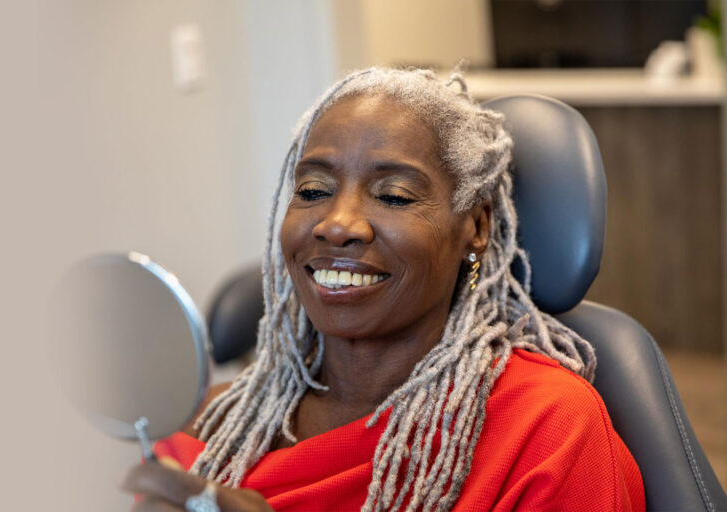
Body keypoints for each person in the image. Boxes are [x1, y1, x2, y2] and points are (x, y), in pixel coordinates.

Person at [121, 67, 645, 511]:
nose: (337, 223)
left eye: (393, 196)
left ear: (477, 228)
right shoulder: (214, 429)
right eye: (312, 191)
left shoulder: (545, 429)